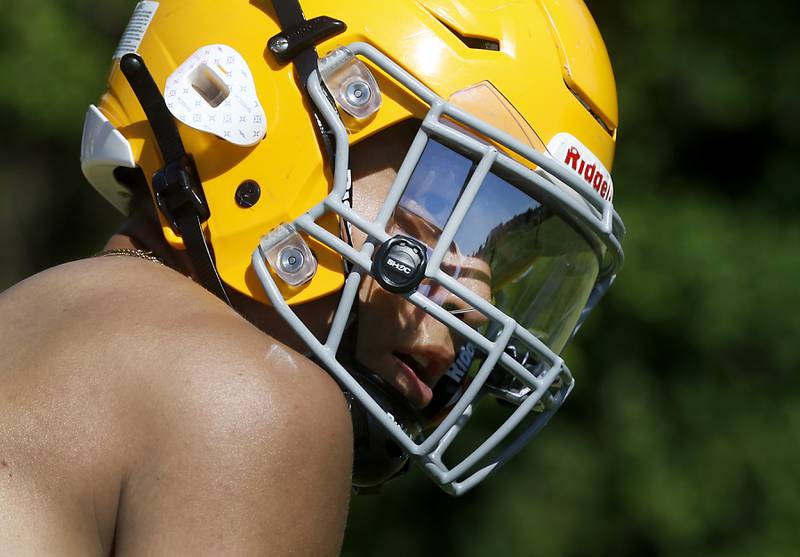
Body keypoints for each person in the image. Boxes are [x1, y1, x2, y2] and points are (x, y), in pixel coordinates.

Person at [0, 0, 625, 554]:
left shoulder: (27, 320)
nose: (464, 321)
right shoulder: (255, 400)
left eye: (501, 254)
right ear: (265, 108)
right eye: (440, 206)